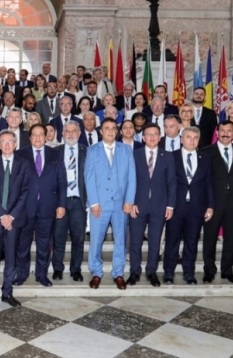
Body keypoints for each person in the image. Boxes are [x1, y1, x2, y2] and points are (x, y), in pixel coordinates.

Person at [84, 118, 136, 290]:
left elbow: (132, 177)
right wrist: (94, 203)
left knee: (120, 240)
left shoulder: (126, 150)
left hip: (121, 204)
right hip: (100, 204)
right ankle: (97, 272)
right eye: (107, 128)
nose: (110, 131)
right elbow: (89, 178)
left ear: (118, 131)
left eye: (114, 128)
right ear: (101, 131)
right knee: (96, 240)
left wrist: (129, 201)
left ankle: (118, 273)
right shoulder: (92, 150)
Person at [15, 124, 67, 286]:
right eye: (34, 135)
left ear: (46, 137)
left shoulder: (55, 154)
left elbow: (62, 182)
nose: (37, 138)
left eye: (41, 134)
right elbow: (16, 183)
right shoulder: (20, 154)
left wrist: (61, 204)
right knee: (22, 244)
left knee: (44, 244)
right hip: (25, 208)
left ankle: (41, 275)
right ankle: (21, 274)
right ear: (29, 137)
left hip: (48, 206)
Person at [0, 131, 30, 307]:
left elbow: (25, 192)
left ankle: (7, 293)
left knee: (11, 258)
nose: (7, 145)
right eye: (4, 142)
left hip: (14, 219)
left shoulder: (24, 164)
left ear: (16, 144)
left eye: (10, 141)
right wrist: (2, 215)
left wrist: (11, 216)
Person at [164, 126, 214, 285]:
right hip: (175, 206)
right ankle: (169, 273)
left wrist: (210, 206)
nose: (192, 140)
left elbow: (209, 184)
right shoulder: (171, 156)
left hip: (196, 207)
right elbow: (166, 183)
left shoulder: (205, 158)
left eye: (195, 138)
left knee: (192, 241)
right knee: (172, 241)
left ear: (199, 140)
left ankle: (189, 273)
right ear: (181, 139)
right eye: (188, 137)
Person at [128, 123, 176, 287]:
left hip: (159, 206)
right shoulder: (134, 155)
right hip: (138, 206)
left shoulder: (167, 156)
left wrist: (170, 206)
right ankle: (135, 271)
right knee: (135, 241)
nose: (152, 137)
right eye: (148, 134)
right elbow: (128, 181)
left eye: (155, 134)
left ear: (160, 137)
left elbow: (172, 182)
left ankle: (151, 271)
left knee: (155, 242)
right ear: (142, 138)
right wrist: (131, 202)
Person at [202, 120, 233, 284]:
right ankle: (209, 270)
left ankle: (227, 271)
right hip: (213, 202)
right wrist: (208, 203)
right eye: (222, 130)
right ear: (217, 132)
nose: (225, 133)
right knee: (210, 237)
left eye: (229, 130)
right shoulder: (206, 152)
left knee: (230, 238)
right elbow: (205, 179)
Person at [52, 121, 87, 283]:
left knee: (78, 239)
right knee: (58, 237)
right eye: (67, 131)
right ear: (62, 134)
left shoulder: (87, 152)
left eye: (74, 131)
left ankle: (76, 270)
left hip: (79, 202)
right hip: (61, 202)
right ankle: (58, 268)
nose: (71, 134)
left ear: (79, 134)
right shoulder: (55, 152)